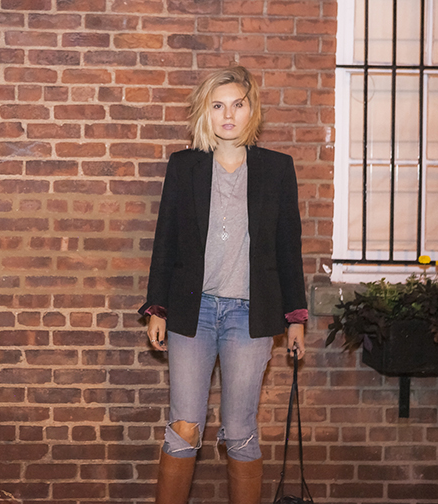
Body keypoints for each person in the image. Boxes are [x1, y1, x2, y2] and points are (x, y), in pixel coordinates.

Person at [138, 65, 308, 504]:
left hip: (250, 316)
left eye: (238, 105)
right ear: (205, 112)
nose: (228, 115)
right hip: (191, 314)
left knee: (240, 430)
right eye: (218, 105)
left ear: (252, 111)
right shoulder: (184, 167)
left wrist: (295, 318)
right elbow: (166, 238)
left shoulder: (276, 169)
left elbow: (288, 246)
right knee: (183, 426)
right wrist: (157, 307)